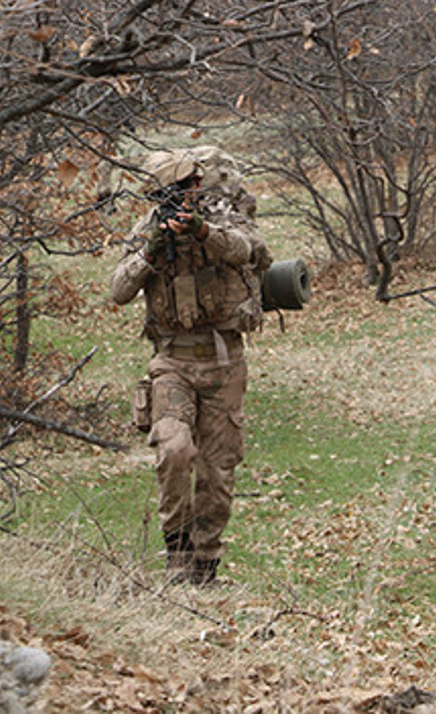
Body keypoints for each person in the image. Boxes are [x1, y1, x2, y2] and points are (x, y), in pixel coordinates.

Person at [110, 148, 271, 585]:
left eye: (182, 189)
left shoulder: (223, 217)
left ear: (197, 185)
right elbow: (118, 291)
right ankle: (177, 556)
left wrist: (203, 232)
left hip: (223, 362)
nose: (176, 200)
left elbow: (253, 252)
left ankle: (205, 565)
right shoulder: (147, 229)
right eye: (164, 194)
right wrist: (150, 252)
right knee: (174, 449)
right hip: (171, 362)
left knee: (217, 471)